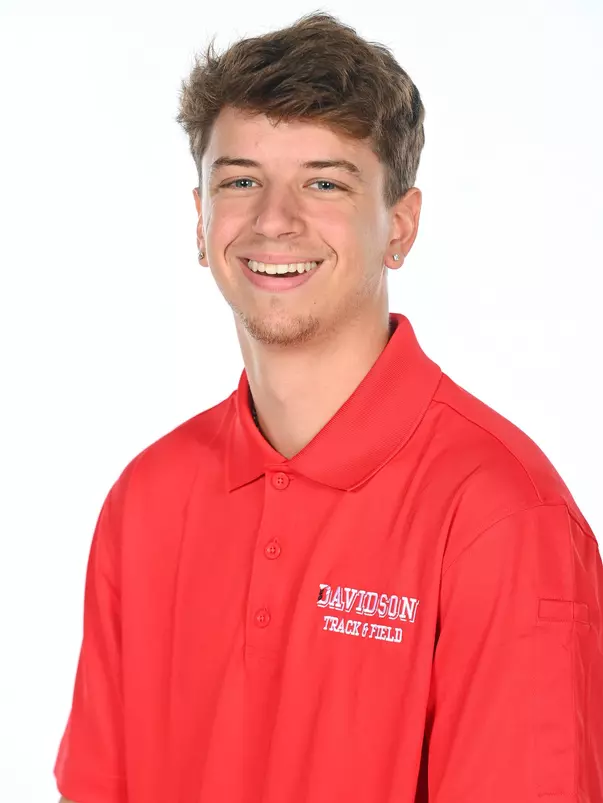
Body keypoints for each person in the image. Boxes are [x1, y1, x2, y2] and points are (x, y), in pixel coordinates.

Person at [55, 11, 603, 803]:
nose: (273, 220)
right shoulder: (146, 498)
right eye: (240, 180)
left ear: (399, 228)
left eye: (324, 182)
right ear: (200, 220)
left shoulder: (500, 515)